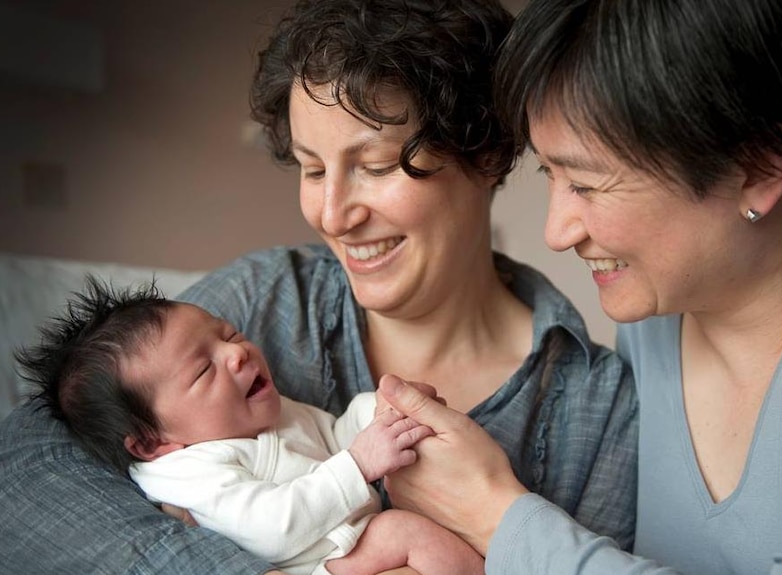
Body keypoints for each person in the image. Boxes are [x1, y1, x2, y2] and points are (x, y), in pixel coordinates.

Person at [0, 1, 638, 573]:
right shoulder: (267, 294)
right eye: (311, 168)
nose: (333, 214)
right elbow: (23, 472)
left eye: (377, 166)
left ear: (487, 154)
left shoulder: (594, 405)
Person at [377, 0, 782, 573]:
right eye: (549, 175)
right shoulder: (659, 314)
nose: (557, 232)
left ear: (757, 168)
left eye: (586, 184)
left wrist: (494, 513)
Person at [16, 277, 483, 575]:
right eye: (203, 371)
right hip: (312, 566)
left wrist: (382, 412)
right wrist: (360, 463)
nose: (236, 354)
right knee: (403, 531)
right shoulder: (192, 471)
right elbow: (272, 528)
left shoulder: (268, 413)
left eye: (228, 334)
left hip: (350, 547)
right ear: (152, 441)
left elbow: (336, 439)